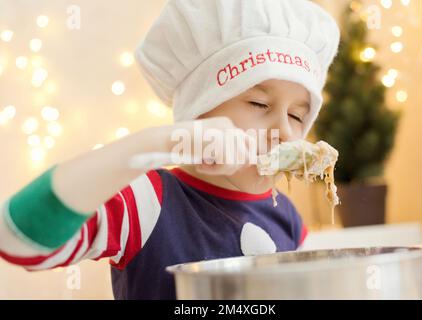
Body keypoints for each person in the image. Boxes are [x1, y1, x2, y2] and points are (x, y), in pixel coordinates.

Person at [0, 0, 340, 299]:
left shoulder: (287, 217)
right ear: (198, 113)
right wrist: (159, 142)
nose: (284, 130)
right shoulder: (147, 202)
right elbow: (18, 239)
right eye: (258, 102)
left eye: (297, 115)